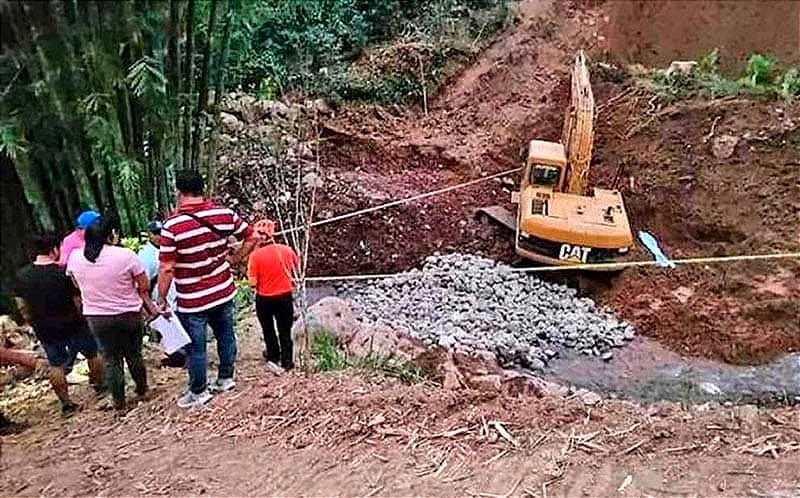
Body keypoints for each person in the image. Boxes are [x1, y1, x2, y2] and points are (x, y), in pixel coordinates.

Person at [157, 169, 257, 409]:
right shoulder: (224, 214)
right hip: (223, 290)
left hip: (193, 299)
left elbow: (167, 268)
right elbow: (253, 236)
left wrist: (161, 297)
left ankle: (199, 391)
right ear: (202, 189)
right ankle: (226, 378)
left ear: (178, 192)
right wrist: (235, 259)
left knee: (196, 347)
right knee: (226, 336)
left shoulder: (172, 226)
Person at [67, 222, 158, 410]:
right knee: (134, 354)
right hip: (128, 313)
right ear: (110, 236)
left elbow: (75, 284)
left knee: (111, 359)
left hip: (97, 317)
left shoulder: (75, 257)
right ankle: (142, 390)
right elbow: (144, 284)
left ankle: (119, 402)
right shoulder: (125, 255)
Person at [14, 234, 105, 415]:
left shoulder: (22, 276)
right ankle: (99, 385)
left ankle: (66, 403)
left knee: (55, 364)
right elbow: (77, 300)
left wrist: (31, 320)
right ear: (54, 249)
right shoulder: (63, 273)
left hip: (44, 326)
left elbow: (21, 304)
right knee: (92, 354)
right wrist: (82, 315)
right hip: (73, 322)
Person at [248, 219, 299, 370]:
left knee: (268, 329)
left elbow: (252, 283)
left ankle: (273, 356)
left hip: (264, 299)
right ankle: (287, 361)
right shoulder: (287, 250)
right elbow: (296, 270)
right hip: (285, 296)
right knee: (285, 330)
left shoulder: (255, 256)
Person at [137, 220, 183, 367]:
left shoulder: (172, 247)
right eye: (156, 233)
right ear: (149, 235)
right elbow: (143, 281)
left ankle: (184, 353)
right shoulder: (145, 254)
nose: (159, 236)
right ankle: (175, 356)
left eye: (161, 233)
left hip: (177, 290)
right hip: (159, 293)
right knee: (167, 324)